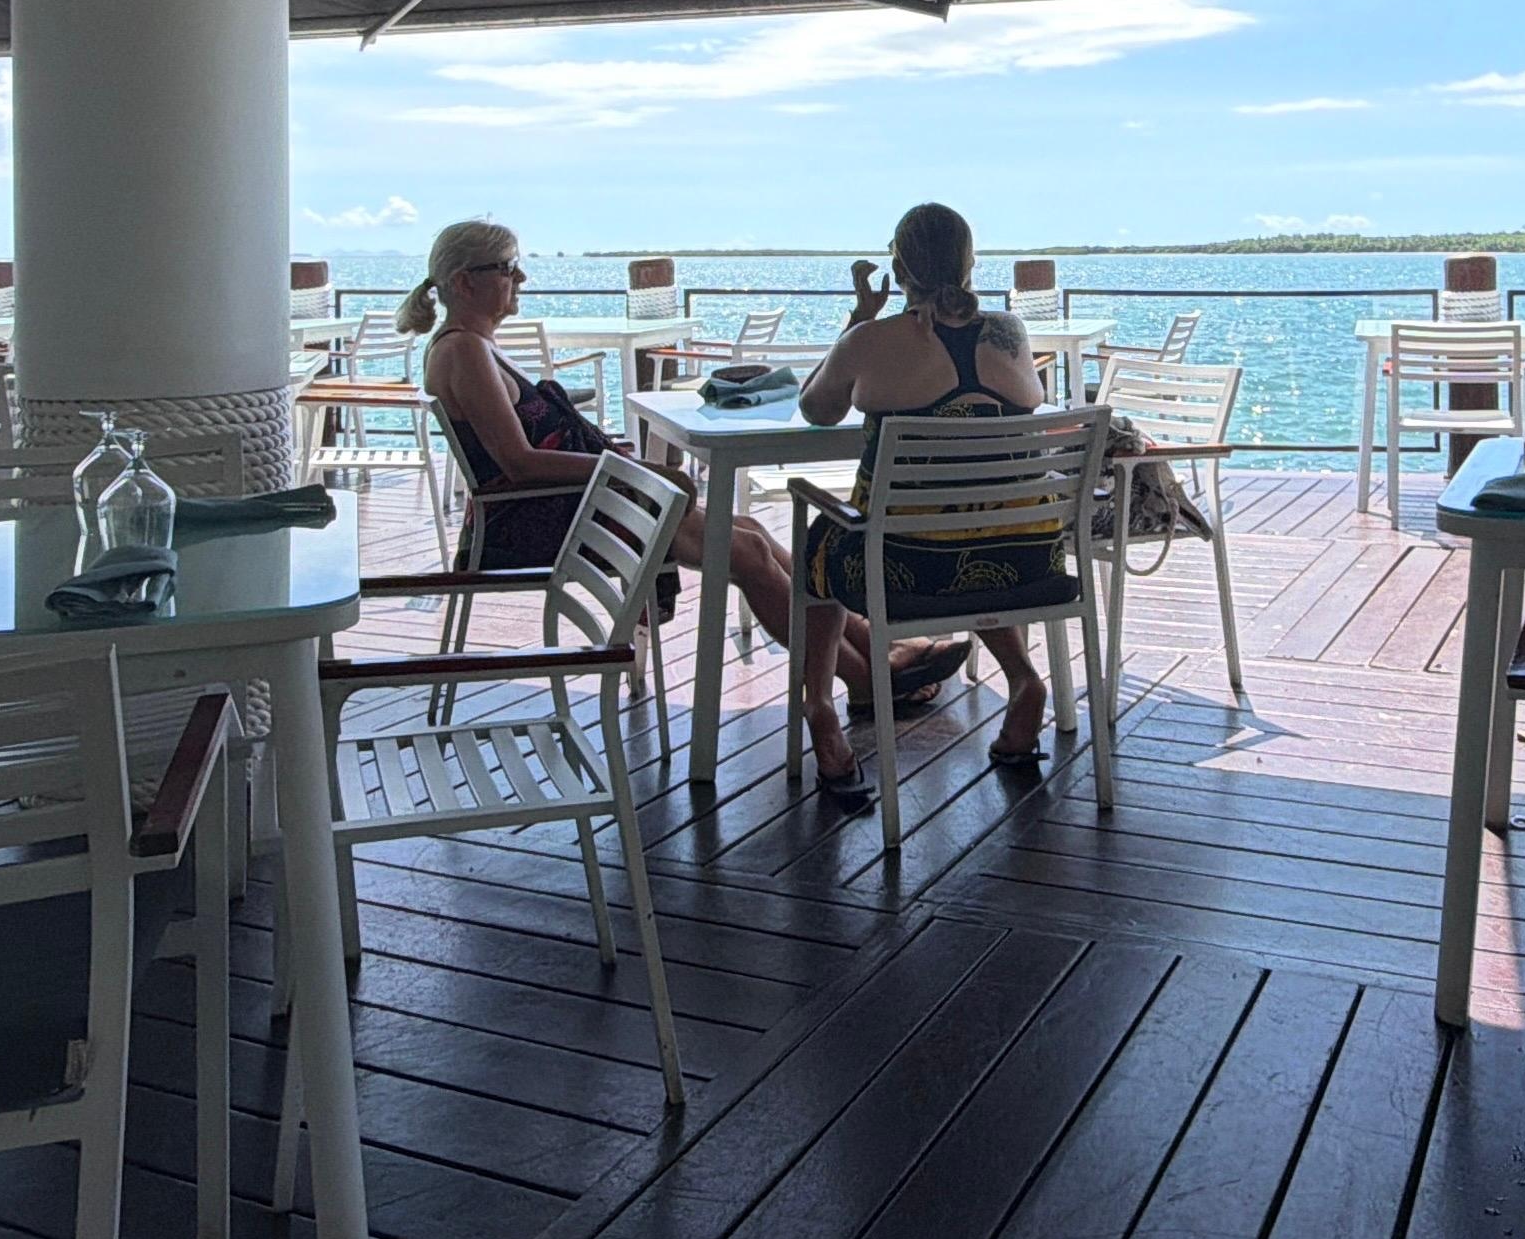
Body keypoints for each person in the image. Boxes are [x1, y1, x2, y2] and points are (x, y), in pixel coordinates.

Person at [404, 222, 958, 775]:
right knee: (746, 555)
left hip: (569, 502)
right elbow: (519, 462)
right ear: (464, 282)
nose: (519, 276)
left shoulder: (475, 347)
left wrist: (630, 472)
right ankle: (865, 678)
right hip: (543, 517)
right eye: (506, 267)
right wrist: (636, 471)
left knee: (751, 532)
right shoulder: (464, 354)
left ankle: (879, 660)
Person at [793, 204, 1064, 807]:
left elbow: (817, 409)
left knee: (819, 538)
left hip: (906, 572)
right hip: (1026, 560)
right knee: (971, 525)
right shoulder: (1010, 333)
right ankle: (1023, 680)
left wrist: (856, 321)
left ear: (897, 266)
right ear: (971, 263)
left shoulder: (871, 341)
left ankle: (818, 709)